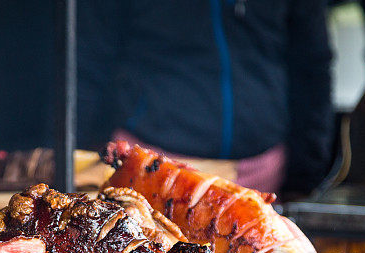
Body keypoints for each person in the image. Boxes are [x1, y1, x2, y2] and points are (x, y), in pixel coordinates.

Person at [77, 0, 334, 194]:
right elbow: (88, 58)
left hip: (262, 175)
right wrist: (84, 150)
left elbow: (312, 64)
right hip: (151, 172)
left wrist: (305, 170)